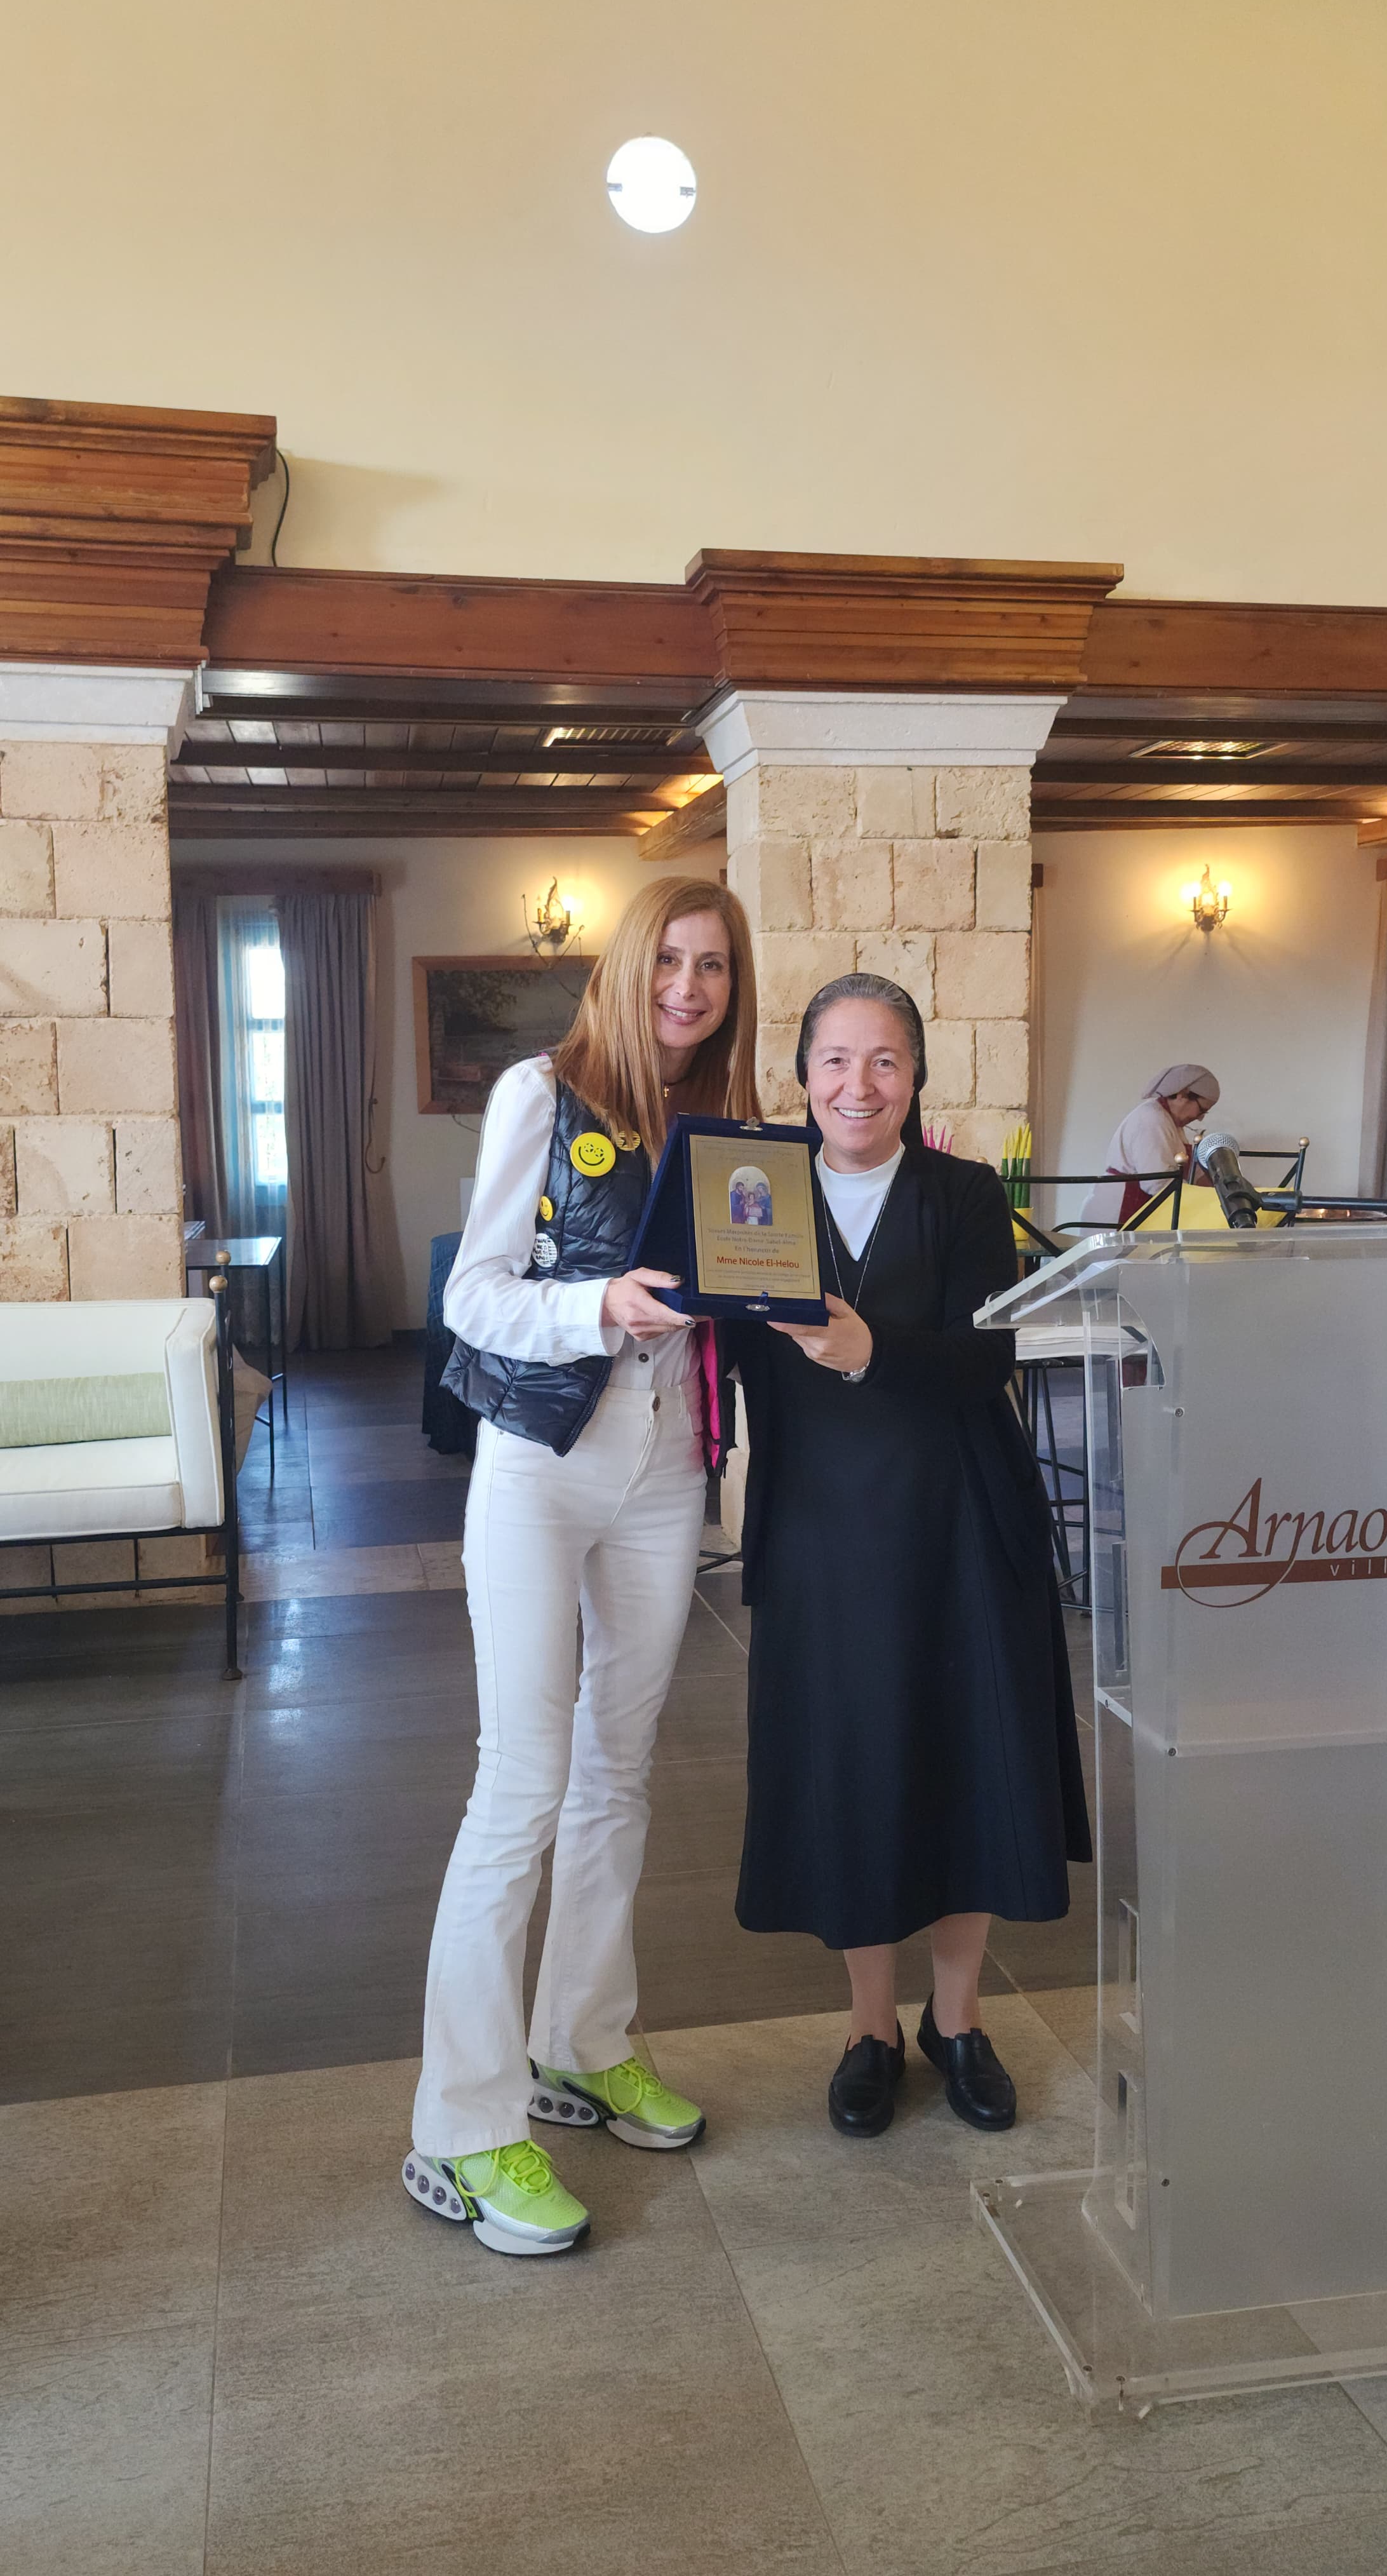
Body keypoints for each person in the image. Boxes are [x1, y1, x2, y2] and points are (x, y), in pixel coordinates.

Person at [403, 877, 760, 2254]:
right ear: (625, 964)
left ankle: (583, 2040)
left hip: (667, 1475)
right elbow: (473, 1295)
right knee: (522, 1785)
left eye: (712, 967)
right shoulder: (541, 1095)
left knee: (620, 1771)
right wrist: (596, 1304)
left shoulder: (723, 1122)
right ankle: (462, 2122)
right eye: (669, 959)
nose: (688, 987)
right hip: (539, 1467)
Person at [730, 973, 1092, 2140]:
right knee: (855, 1767)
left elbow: (988, 1359)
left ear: (917, 1076)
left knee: (963, 1761)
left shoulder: (964, 1193)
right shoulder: (751, 1192)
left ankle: (959, 2020)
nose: (859, 1084)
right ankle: (869, 2028)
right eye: (836, 1059)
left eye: (885, 1060)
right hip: (823, 1530)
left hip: (959, 1522)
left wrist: (868, 1347)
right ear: (801, 1075)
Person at [1080, 1063, 1221, 1225]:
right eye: (1201, 1110)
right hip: (1118, 1211)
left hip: (1137, 1206)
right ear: (1182, 1094)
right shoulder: (1152, 1119)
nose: (1200, 1118)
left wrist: (1223, 1193)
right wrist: (1206, 1203)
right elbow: (1159, 1184)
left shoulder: (1171, 1124)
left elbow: (1196, 1176)